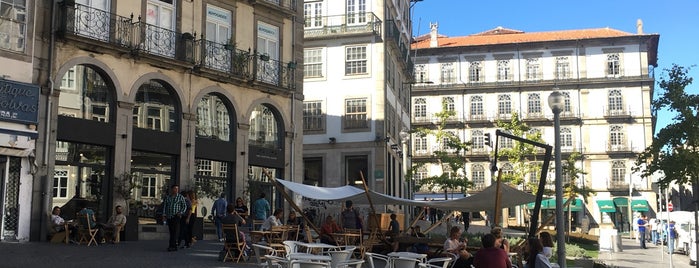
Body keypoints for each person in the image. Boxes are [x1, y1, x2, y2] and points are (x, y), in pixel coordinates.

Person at [162, 184, 188, 252]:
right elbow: (165, 206)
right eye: (175, 189)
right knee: (171, 231)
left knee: (175, 230)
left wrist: (181, 212)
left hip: (176, 216)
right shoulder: (168, 197)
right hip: (169, 216)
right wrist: (164, 215)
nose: (176, 190)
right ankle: (173, 245)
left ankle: (172, 245)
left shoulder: (180, 197)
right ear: (172, 189)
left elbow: (184, 206)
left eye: (177, 189)